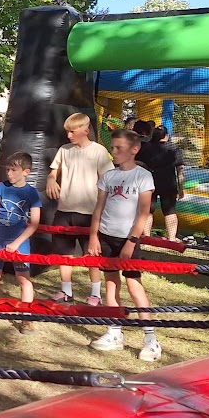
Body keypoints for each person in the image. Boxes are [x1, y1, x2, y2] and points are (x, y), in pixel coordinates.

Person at [87, 129, 159, 360]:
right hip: (106, 237)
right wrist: (94, 236)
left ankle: (151, 340)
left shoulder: (143, 176)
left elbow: (144, 212)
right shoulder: (108, 176)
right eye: (113, 147)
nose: (114, 152)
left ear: (134, 150)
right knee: (111, 285)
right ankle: (114, 331)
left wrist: (131, 241)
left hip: (128, 239)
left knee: (134, 287)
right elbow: (98, 209)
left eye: (119, 148)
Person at [45, 112, 112, 305]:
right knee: (64, 253)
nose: (69, 136)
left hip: (90, 212)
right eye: (67, 132)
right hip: (64, 210)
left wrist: (102, 208)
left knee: (91, 254)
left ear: (86, 130)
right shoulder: (64, 150)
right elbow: (53, 171)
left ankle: (96, 294)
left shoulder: (99, 151)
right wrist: (51, 180)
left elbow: (107, 180)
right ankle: (66, 291)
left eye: (72, 132)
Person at [0, 151, 42, 331]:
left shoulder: (32, 193)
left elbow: (34, 224)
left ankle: (27, 318)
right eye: (7, 170)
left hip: (19, 242)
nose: (9, 174)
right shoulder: (0, 187)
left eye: (14, 170)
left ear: (26, 172)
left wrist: (17, 243)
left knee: (23, 279)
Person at [139, 125, 186, 240]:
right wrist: (181, 188)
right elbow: (180, 170)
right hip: (168, 183)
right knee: (170, 211)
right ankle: (172, 238)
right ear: (166, 136)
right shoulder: (173, 149)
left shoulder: (146, 147)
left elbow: (138, 162)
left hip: (149, 183)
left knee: (148, 211)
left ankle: (147, 237)